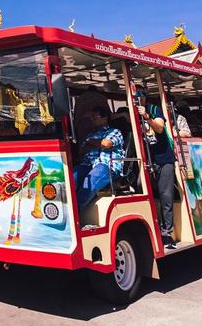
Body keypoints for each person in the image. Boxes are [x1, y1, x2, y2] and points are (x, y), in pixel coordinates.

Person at [135, 85, 177, 249]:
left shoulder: (154, 109)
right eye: (136, 94)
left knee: (166, 196)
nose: (139, 96)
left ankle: (168, 234)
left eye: (141, 93)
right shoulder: (131, 112)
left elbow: (159, 128)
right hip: (147, 160)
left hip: (163, 159)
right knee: (140, 188)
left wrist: (146, 116)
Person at [72, 106, 125, 210]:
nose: (92, 120)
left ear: (104, 118)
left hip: (107, 166)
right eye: (91, 118)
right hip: (89, 165)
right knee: (71, 176)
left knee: (89, 183)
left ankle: (74, 212)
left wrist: (91, 142)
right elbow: (83, 150)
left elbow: (106, 144)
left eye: (95, 117)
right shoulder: (91, 134)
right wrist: (95, 143)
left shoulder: (114, 131)